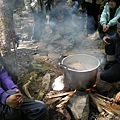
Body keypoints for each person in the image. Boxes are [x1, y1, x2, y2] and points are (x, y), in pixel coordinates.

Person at [98, 17, 120, 103]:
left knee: (104, 76)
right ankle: (112, 64)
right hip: (118, 60)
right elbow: (116, 37)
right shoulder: (119, 33)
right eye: (118, 29)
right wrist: (107, 38)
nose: (119, 32)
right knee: (109, 43)